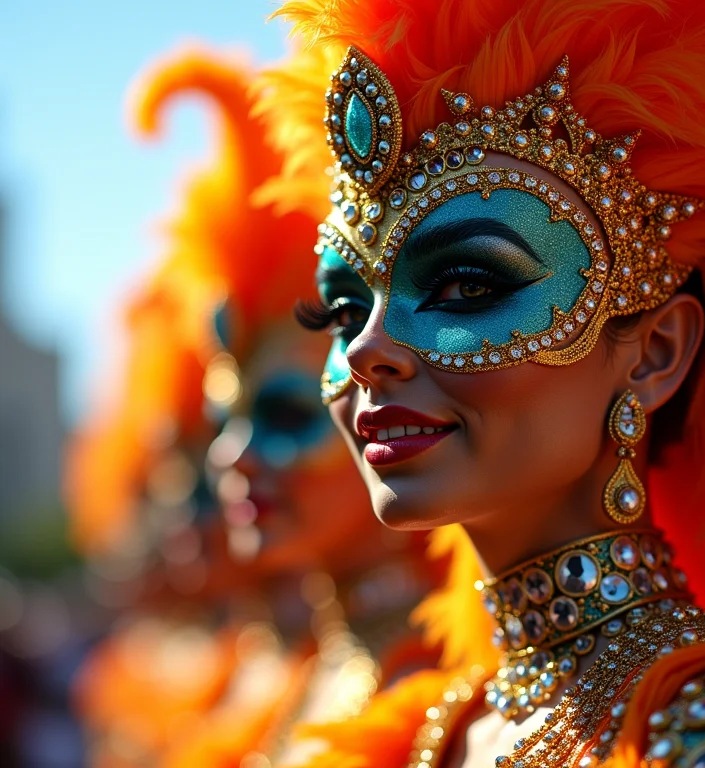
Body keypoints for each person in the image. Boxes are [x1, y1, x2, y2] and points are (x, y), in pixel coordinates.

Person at [256, 0, 705, 765]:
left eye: (466, 286)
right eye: (343, 307)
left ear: (655, 354)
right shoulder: (431, 734)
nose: (366, 349)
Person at [68, 44, 441, 768]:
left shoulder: (437, 686)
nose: (228, 461)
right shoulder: (326, 673)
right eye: (225, 426)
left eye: (287, 416)